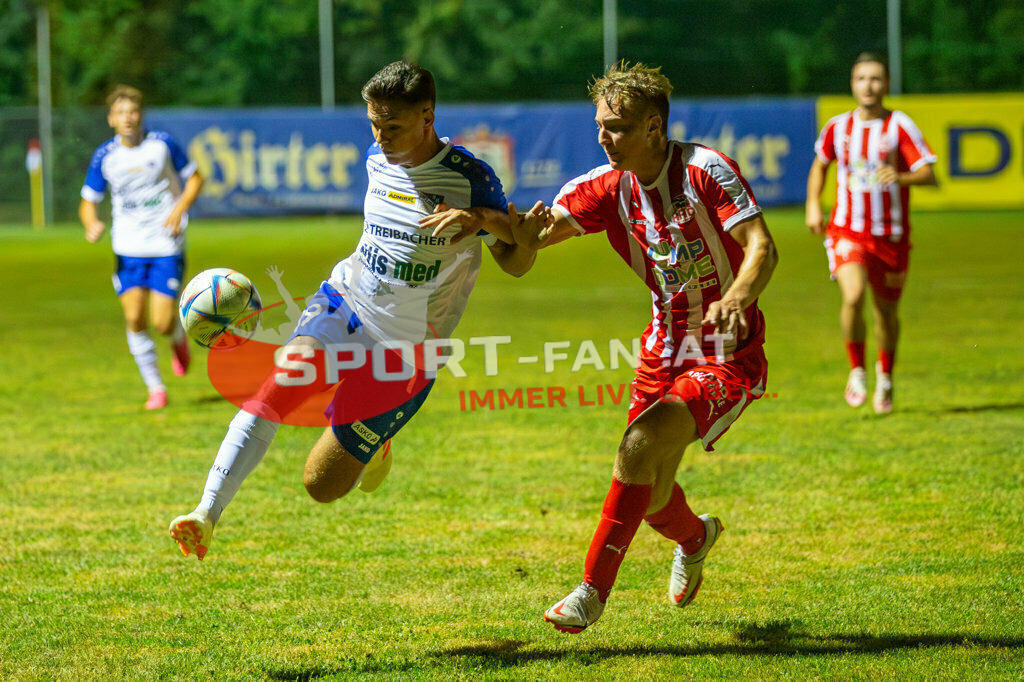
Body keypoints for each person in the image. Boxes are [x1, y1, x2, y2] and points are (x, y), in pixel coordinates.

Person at [169, 60, 539, 560]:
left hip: (409, 351)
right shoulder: (375, 158)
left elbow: (516, 260)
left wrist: (484, 220)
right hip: (346, 300)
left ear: (427, 116)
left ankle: (375, 441)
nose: (381, 137)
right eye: (374, 124)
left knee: (322, 486)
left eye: (393, 126)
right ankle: (206, 512)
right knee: (283, 378)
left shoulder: (469, 179)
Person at [496, 62, 777, 633]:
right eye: (600, 125)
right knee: (650, 494)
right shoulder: (602, 189)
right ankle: (697, 537)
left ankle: (591, 592)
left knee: (637, 445)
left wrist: (737, 298)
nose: (604, 138)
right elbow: (522, 260)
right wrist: (503, 233)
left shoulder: (707, 173)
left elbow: (762, 248)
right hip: (661, 349)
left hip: (727, 351)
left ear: (654, 127)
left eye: (617, 127)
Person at [805, 52, 937, 414]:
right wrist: (813, 205)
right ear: (852, 83)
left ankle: (887, 376)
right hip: (848, 230)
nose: (869, 85)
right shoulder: (837, 127)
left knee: (886, 313)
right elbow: (820, 165)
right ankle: (858, 371)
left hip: (890, 236)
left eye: (876, 78)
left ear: (887, 84)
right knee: (853, 295)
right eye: (862, 78)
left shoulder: (900, 126)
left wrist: (902, 175)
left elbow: (929, 174)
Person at [79, 84, 205, 410]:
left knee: (161, 322)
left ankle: (176, 336)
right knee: (134, 317)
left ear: (141, 115)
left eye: (133, 111)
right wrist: (90, 222)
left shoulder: (162, 145)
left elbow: (195, 178)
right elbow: (88, 200)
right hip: (128, 248)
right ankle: (156, 388)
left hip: (166, 244)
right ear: (111, 119)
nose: (128, 118)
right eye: (121, 113)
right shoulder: (105, 156)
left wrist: (179, 209)